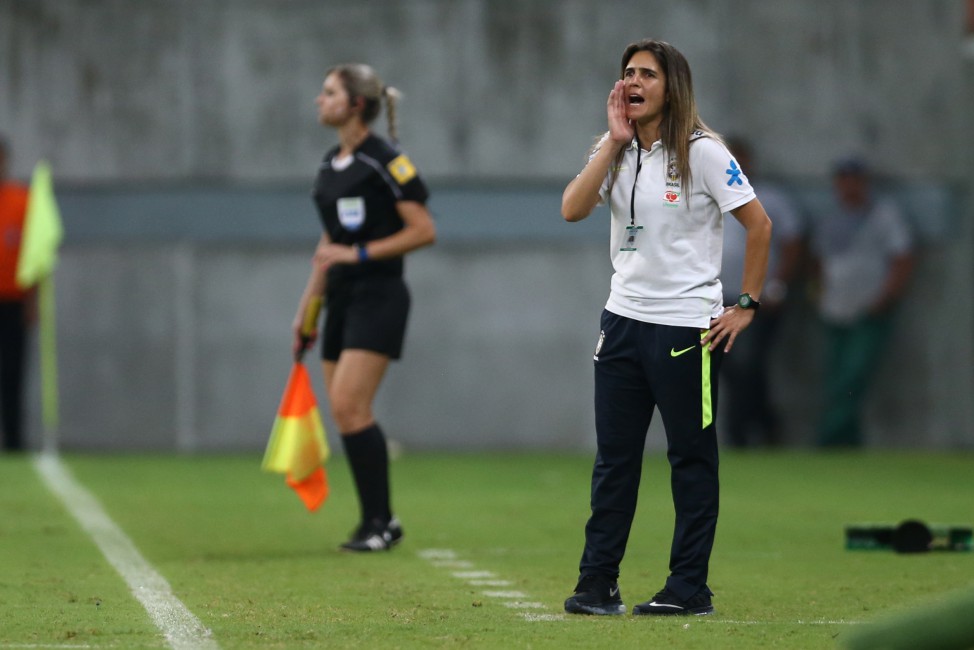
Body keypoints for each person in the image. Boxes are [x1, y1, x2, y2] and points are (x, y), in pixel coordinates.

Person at [560, 39, 772, 617]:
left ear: (671, 86)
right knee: (615, 461)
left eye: (646, 74)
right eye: (627, 73)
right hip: (622, 324)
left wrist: (746, 304)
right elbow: (572, 208)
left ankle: (688, 588)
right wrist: (613, 143)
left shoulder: (704, 151)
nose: (633, 82)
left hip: (687, 332)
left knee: (690, 459)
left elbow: (759, 225)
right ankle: (597, 583)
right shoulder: (615, 149)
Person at [292, 64, 436, 551]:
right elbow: (328, 243)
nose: (319, 99)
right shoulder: (329, 164)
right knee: (344, 411)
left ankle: (382, 523)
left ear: (355, 104)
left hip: (380, 294)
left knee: (352, 407)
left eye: (329, 91)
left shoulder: (386, 160)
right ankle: (374, 520)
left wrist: (357, 255)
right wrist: (307, 310)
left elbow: (423, 230)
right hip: (341, 297)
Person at [809, 157, 913, 447]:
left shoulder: (883, 216)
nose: (849, 186)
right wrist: (817, 294)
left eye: (854, 180)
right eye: (843, 180)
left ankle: (828, 440)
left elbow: (902, 258)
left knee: (852, 377)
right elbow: (817, 261)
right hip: (834, 309)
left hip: (868, 310)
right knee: (836, 377)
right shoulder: (830, 217)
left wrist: (886, 297)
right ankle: (849, 443)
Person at [719, 137, 806, 447]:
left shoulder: (768, 198)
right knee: (728, 367)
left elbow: (792, 242)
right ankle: (755, 426)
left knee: (749, 361)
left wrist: (775, 286)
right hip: (720, 296)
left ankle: (746, 432)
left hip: (754, 297)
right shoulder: (710, 196)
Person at [0, 135, 35, 453]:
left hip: (12, 302)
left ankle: (13, 441)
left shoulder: (22, 201)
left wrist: (31, 301)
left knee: (12, 373)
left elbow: (34, 256)